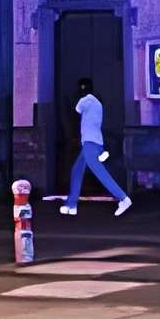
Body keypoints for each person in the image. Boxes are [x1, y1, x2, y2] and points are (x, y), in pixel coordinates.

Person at [59, 76, 132, 216]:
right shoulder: (98, 103)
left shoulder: (84, 101)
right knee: (77, 170)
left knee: (98, 170)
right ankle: (71, 205)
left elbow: (75, 112)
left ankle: (123, 198)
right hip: (97, 142)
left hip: (89, 142)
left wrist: (68, 104)